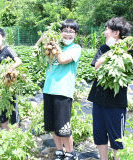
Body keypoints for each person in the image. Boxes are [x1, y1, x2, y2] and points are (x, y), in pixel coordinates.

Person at [87, 17, 133, 160]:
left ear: (116, 32)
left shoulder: (130, 50)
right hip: (98, 98)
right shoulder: (103, 48)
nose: (104, 32)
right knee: (99, 133)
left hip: (116, 101)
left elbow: (128, 71)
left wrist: (120, 49)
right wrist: (112, 50)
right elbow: (97, 66)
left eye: (106, 29)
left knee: (116, 136)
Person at [43, 19, 81, 160]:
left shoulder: (75, 48)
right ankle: (59, 151)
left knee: (63, 126)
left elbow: (63, 60)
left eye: (71, 32)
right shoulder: (53, 45)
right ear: (60, 32)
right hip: (48, 89)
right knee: (52, 125)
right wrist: (45, 38)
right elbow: (36, 49)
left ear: (76, 34)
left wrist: (55, 47)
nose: (67, 34)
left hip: (63, 92)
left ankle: (70, 153)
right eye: (65, 31)